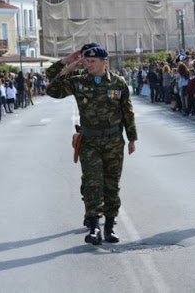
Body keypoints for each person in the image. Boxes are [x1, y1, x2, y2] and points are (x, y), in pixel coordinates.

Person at [46, 45, 137, 245]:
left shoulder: (118, 83)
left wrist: (132, 138)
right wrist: (66, 68)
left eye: (93, 61)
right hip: (90, 141)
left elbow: (127, 111)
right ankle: (94, 226)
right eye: (86, 61)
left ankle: (110, 226)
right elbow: (52, 91)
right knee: (92, 183)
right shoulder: (78, 82)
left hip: (113, 140)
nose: (88, 64)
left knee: (111, 183)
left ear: (105, 62)